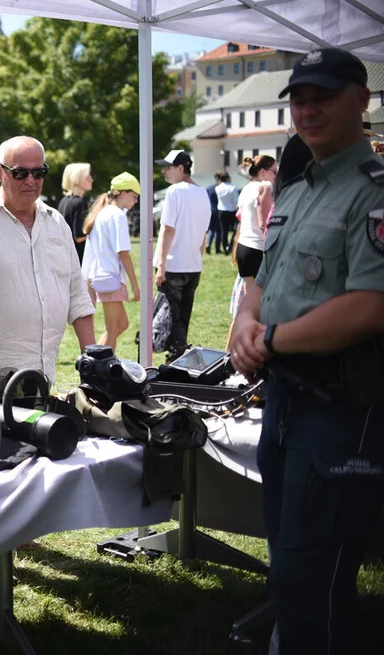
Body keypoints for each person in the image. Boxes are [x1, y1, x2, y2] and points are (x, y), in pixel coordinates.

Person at [230, 48, 384, 654]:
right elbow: (263, 280)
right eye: (299, 98)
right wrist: (245, 320)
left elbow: (372, 305)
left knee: (312, 578)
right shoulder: (294, 190)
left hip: (341, 408)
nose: (309, 109)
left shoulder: (371, 193)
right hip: (286, 400)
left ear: (361, 100)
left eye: (323, 95)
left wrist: (269, 338)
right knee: (288, 563)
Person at [0, 136, 95, 386]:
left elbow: (78, 296)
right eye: (20, 173)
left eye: (39, 172)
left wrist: (94, 365)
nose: (31, 180)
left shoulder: (56, 223)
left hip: (43, 379)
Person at [152, 149, 211, 361]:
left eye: (167, 167)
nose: (164, 172)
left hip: (173, 264)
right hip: (193, 264)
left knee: (170, 318)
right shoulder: (203, 192)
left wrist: (161, 265)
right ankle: (178, 358)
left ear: (180, 168)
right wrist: (198, 258)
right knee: (182, 317)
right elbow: (203, 233)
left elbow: (168, 229)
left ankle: (177, 357)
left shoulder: (175, 192)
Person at [81, 172, 141, 353]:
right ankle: (95, 367)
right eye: (134, 196)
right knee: (113, 328)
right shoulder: (117, 215)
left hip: (100, 276)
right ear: (123, 194)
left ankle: (93, 362)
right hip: (110, 278)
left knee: (122, 324)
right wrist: (135, 285)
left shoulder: (103, 213)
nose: (136, 201)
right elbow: (123, 253)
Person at [234, 155, 277, 290]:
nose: (277, 175)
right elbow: (264, 224)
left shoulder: (245, 189)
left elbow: (239, 215)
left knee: (250, 296)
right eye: (274, 171)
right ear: (263, 172)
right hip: (258, 247)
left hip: (243, 246)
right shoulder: (266, 186)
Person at [57, 162, 93, 262]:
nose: (91, 179)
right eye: (87, 177)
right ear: (76, 180)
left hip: (65, 257)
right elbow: (79, 236)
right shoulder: (80, 203)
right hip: (78, 258)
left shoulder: (63, 201)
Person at [215, 172, 239, 254]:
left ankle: (225, 247)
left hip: (221, 211)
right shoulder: (233, 188)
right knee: (235, 230)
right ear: (228, 178)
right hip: (232, 211)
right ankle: (231, 246)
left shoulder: (217, 188)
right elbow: (236, 202)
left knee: (224, 231)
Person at [205, 172, 222, 255]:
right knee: (218, 230)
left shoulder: (209, 188)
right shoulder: (221, 188)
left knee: (211, 229)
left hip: (210, 210)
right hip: (218, 210)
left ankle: (208, 244)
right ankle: (217, 248)